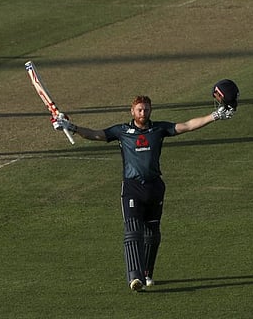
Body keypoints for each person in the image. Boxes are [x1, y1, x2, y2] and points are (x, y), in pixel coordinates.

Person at [52, 79, 239, 292]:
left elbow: (187, 125)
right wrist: (72, 127)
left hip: (155, 187)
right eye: (140, 109)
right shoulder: (121, 131)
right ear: (132, 111)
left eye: (147, 109)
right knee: (133, 232)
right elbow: (95, 134)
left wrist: (213, 116)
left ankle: (148, 273)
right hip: (132, 188)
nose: (143, 113)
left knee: (152, 234)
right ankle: (135, 277)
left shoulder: (159, 129)